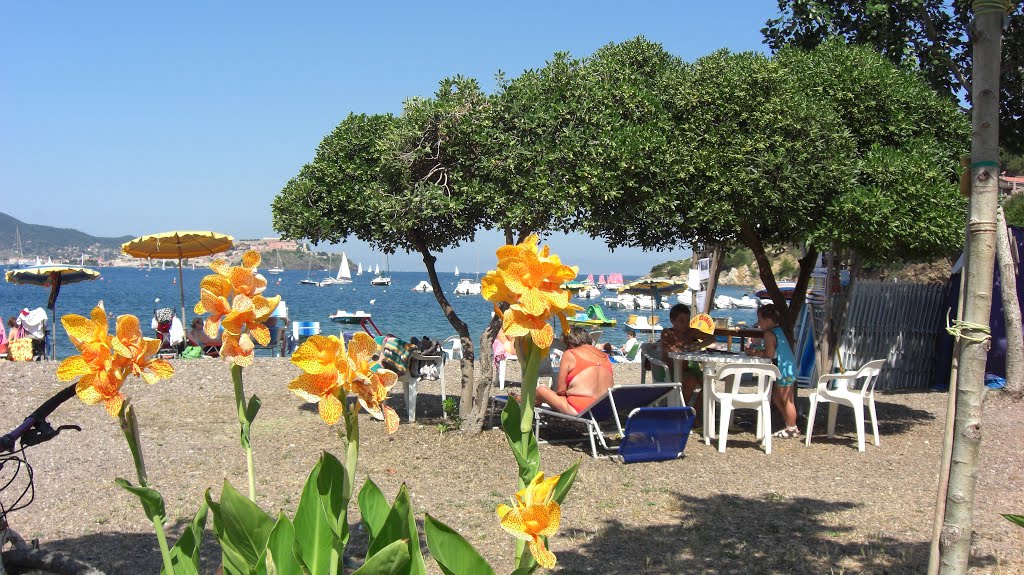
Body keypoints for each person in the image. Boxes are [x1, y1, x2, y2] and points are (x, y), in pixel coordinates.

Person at [532, 327, 614, 416]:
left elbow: (561, 391)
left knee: (541, 390)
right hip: (605, 409)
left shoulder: (570, 353)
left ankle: (522, 402)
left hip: (580, 409)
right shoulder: (605, 357)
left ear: (569, 343)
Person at [746, 304, 799, 438]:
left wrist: (753, 352)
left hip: (783, 369)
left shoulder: (769, 333)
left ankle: (792, 427)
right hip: (786, 367)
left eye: (760, 319)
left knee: (787, 400)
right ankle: (789, 422)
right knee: (776, 397)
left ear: (768, 320)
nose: (758, 323)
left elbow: (769, 353)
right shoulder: (778, 331)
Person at [659, 304, 715, 406]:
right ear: (672, 321)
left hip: (690, 368)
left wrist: (699, 345)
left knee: (709, 382)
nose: (685, 324)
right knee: (691, 381)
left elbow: (711, 338)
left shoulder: (691, 332)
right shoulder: (667, 333)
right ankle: (682, 410)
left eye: (687, 321)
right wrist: (686, 347)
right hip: (672, 369)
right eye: (681, 321)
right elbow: (669, 351)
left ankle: (696, 413)